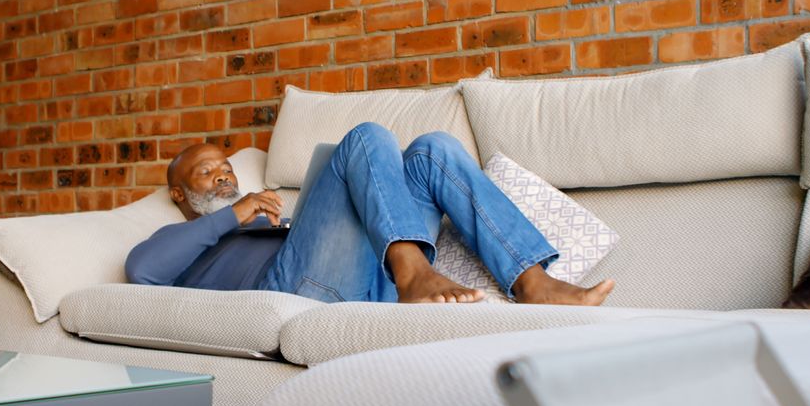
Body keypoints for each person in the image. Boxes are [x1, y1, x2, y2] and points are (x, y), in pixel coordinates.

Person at [126, 122, 615, 305]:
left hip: (368, 282)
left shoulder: (263, 220)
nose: (224, 176)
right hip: (291, 290)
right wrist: (232, 216)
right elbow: (141, 271)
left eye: (227, 168)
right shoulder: (171, 245)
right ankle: (415, 274)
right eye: (207, 172)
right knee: (367, 138)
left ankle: (532, 281)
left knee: (433, 149)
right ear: (177, 194)